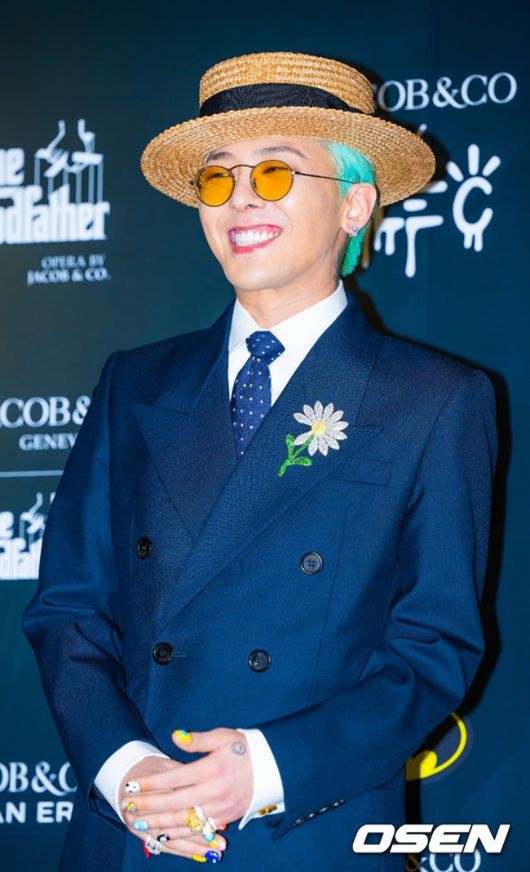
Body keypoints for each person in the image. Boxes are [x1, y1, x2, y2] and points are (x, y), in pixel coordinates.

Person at [22, 51, 498, 871]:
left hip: (310, 833)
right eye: (219, 178)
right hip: (134, 834)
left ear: (355, 203)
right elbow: (68, 610)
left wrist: (267, 772)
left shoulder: (435, 400)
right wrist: (127, 770)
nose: (240, 198)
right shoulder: (134, 383)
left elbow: (433, 649)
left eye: (275, 171)